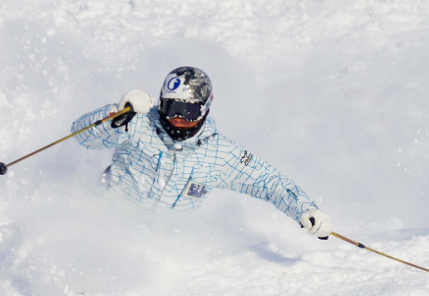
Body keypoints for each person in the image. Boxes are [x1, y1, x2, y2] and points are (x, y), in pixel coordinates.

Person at [71, 66, 334, 240]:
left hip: (155, 250)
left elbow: (270, 182)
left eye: (189, 111)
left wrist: (306, 209)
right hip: (100, 229)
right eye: (171, 107)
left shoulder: (222, 154)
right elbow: (82, 136)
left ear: (205, 110)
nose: (178, 119)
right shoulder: (136, 122)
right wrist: (115, 115)